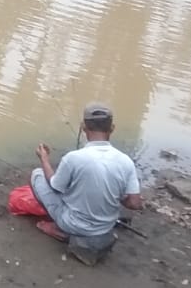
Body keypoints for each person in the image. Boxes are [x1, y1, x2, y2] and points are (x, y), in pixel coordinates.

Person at [30, 101, 142, 263]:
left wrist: (44, 159)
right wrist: (118, 194)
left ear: (83, 128)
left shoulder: (73, 158)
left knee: (38, 175)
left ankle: (59, 229)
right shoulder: (126, 161)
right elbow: (134, 203)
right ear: (112, 128)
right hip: (105, 227)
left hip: (74, 224)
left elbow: (54, 185)